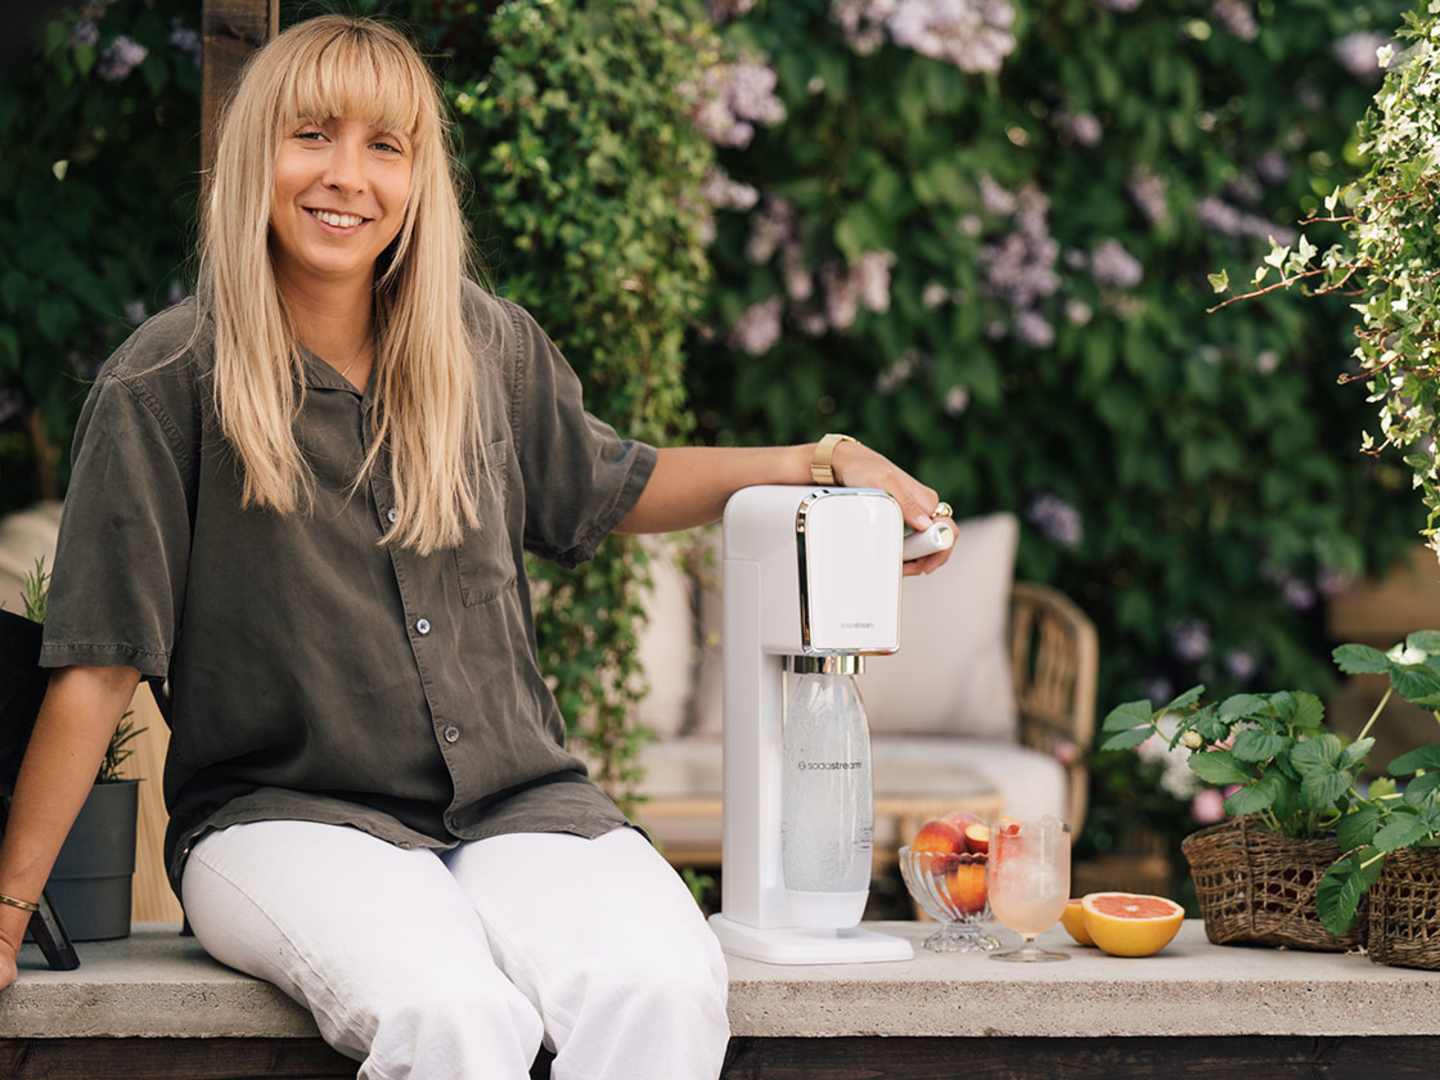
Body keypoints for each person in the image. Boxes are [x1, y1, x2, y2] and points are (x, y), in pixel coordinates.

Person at [0, 14, 953, 1079]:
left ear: (419, 178)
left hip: (522, 807)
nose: (346, 176)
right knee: (451, 1016)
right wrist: (5, 911)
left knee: (664, 989)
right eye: (311, 135)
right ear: (253, 153)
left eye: (385, 146)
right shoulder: (166, 378)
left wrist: (820, 457)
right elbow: (99, 662)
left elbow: (613, 479)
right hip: (283, 820)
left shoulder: (485, 346)